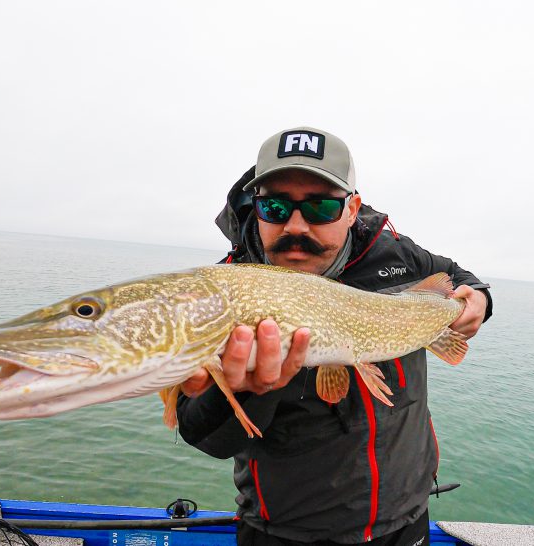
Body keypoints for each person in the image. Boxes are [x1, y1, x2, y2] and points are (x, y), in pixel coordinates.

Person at [176, 127, 493, 545]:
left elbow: (457, 276)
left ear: (351, 208)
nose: (296, 225)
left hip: (405, 519)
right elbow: (203, 435)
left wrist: (479, 302)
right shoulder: (227, 289)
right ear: (256, 207)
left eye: (321, 207)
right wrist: (245, 390)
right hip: (285, 532)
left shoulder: (394, 253)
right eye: (274, 206)